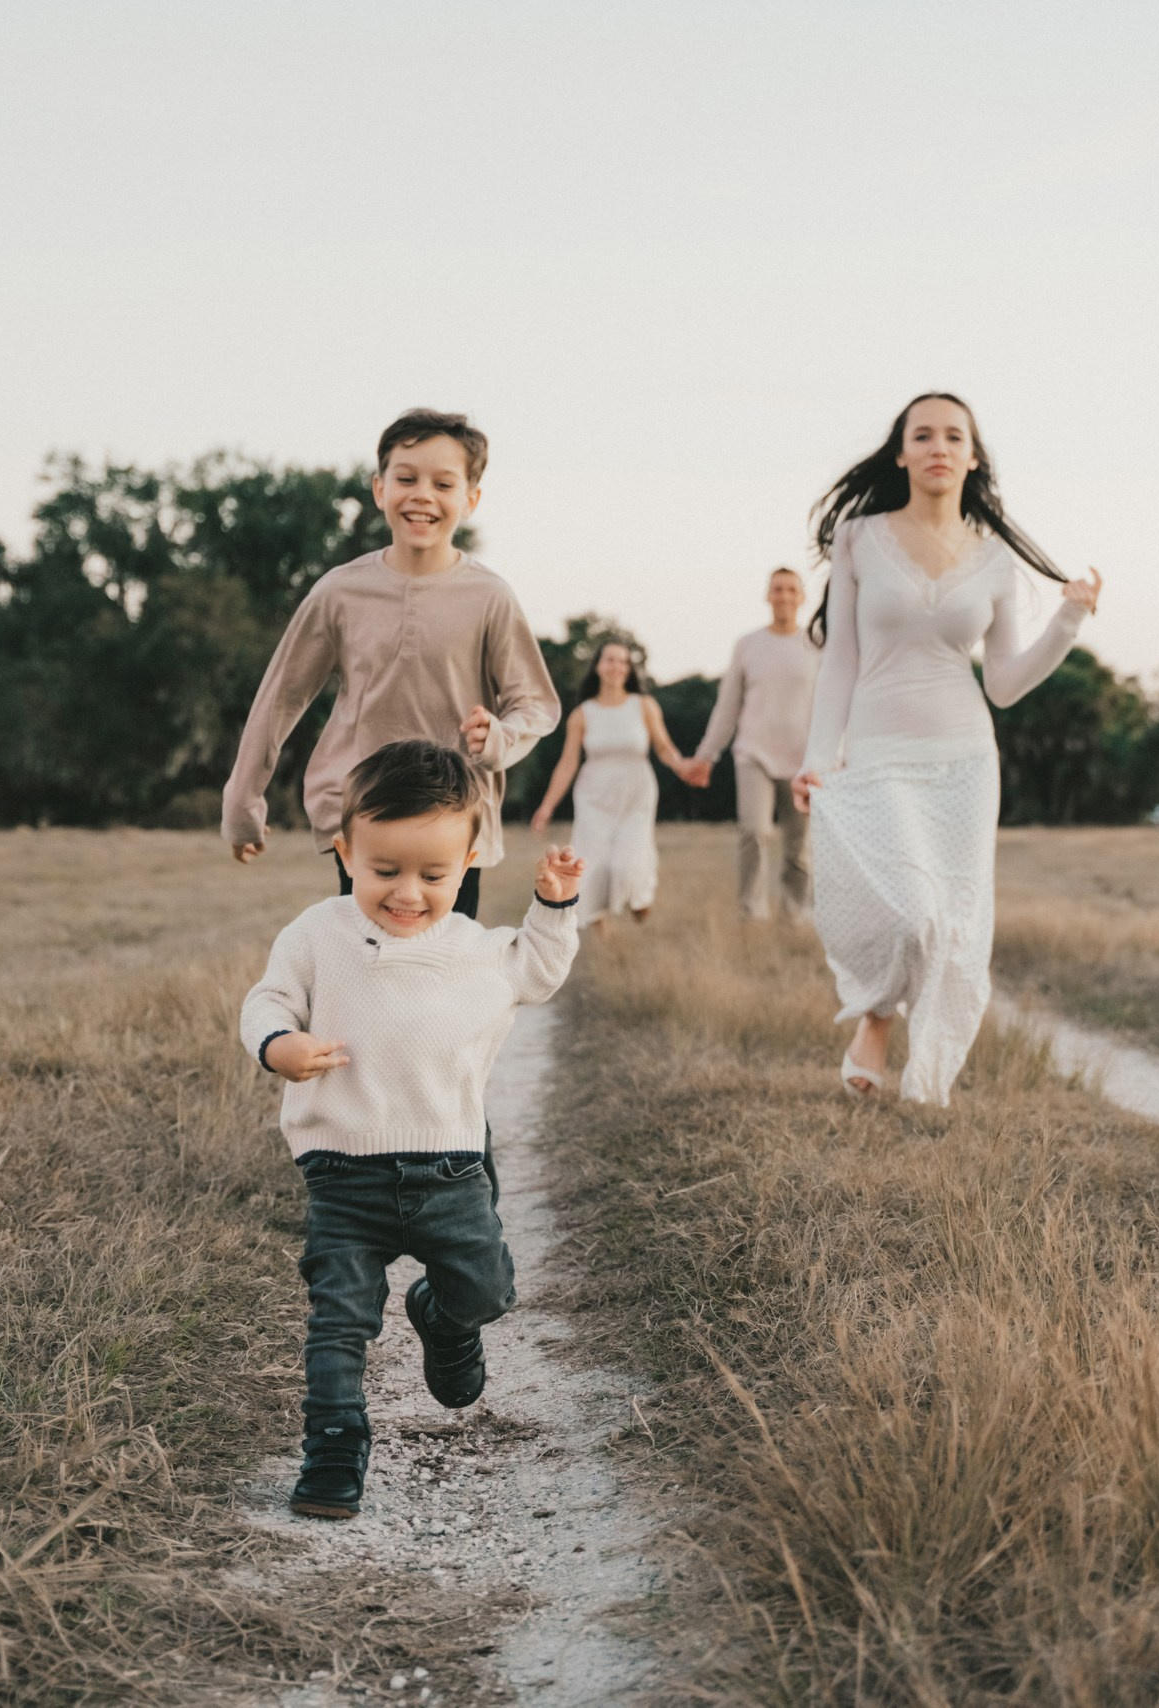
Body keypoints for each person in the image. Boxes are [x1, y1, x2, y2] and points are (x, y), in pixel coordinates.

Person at [242, 740, 585, 1520]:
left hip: (450, 1174)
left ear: (469, 861)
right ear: (345, 852)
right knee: (338, 1320)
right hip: (342, 1174)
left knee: (488, 1289)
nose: (406, 893)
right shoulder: (317, 934)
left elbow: (538, 970)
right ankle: (333, 1448)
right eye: (384, 869)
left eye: (433, 875)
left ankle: (443, 1318)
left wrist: (554, 905)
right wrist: (278, 1044)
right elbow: (268, 1000)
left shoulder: (474, 949)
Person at [794, 393, 1103, 1105]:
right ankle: (877, 1013)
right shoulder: (859, 538)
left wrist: (1067, 621)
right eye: (923, 435)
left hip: (964, 759)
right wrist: (818, 756)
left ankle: (918, 1063)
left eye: (954, 436)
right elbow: (840, 659)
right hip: (878, 750)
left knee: (951, 921)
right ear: (901, 453)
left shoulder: (994, 558)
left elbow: (1004, 684)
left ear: (972, 457)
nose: (939, 446)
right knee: (910, 911)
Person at [222, 409, 561, 918]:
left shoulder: (490, 597)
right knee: (365, 958)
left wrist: (500, 738)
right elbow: (281, 697)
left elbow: (535, 704)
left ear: (470, 500)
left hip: (455, 819)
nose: (422, 495)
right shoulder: (339, 592)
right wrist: (242, 800)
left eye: (442, 484)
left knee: (444, 963)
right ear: (380, 489)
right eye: (406, 479)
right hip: (363, 812)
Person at [681, 567, 820, 922]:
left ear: (802, 598)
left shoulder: (817, 644)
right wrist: (705, 755)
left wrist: (831, 756)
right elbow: (727, 706)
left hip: (802, 759)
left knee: (798, 845)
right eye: (777, 589)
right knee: (754, 832)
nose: (784, 596)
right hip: (753, 753)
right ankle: (752, 914)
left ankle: (795, 913)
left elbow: (831, 704)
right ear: (768, 596)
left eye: (791, 590)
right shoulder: (748, 645)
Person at [528, 640, 691, 929]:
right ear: (598, 666)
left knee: (627, 862)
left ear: (629, 669)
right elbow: (568, 763)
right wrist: (546, 806)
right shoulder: (582, 714)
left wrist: (683, 766)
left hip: (636, 792)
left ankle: (640, 898)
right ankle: (601, 936)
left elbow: (664, 748)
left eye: (623, 661)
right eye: (610, 660)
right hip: (593, 796)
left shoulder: (644, 705)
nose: (617, 666)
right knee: (593, 865)